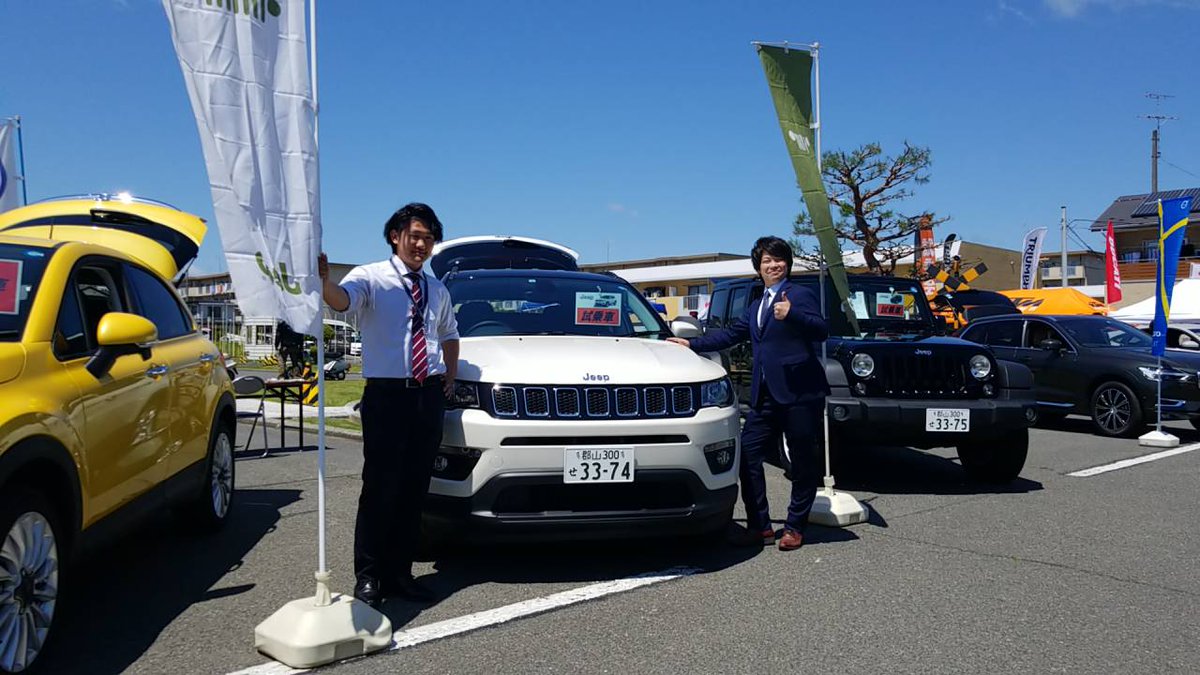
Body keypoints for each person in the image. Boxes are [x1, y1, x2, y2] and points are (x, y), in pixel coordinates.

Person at [318, 202, 459, 607]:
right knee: (380, 488)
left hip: (428, 395)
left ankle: (401, 572)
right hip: (387, 396)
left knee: (415, 489)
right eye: (415, 236)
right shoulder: (372, 277)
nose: (421, 244)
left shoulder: (437, 288)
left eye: (429, 238)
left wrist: (448, 375)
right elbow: (342, 301)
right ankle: (370, 576)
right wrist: (324, 282)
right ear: (395, 237)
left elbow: (449, 332)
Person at [667, 236, 828, 551]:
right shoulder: (757, 304)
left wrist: (792, 314)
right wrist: (691, 344)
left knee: (802, 464)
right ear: (759, 267)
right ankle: (761, 526)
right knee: (748, 455)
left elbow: (821, 329)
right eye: (767, 261)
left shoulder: (800, 295)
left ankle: (794, 527)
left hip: (799, 393)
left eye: (778, 259)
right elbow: (731, 334)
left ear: (788, 263)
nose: (773, 265)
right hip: (764, 395)